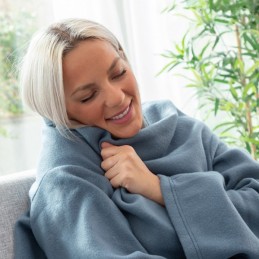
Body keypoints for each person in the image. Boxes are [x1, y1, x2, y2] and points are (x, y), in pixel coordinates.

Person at [14, 18, 259, 259]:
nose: (117, 98)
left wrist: (159, 189)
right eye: (88, 96)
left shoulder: (176, 125)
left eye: (118, 73)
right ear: (59, 110)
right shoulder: (65, 182)